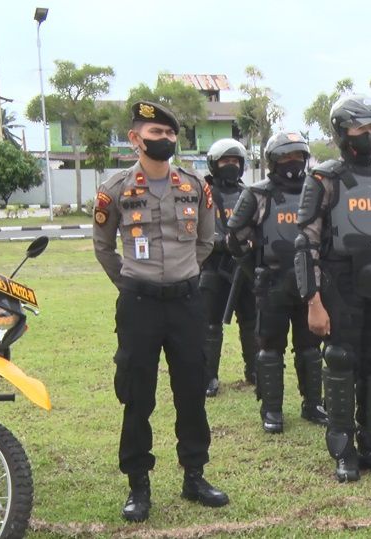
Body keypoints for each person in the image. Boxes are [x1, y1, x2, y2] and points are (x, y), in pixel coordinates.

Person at [93, 101, 229, 522]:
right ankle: (139, 484)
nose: (164, 140)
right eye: (155, 133)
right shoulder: (114, 189)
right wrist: (133, 281)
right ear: (135, 138)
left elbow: (206, 241)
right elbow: (103, 247)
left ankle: (195, 475)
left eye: (170, 134)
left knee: (192, 391)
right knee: (137, 396)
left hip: (187, 303)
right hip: (138, 305)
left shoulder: (194, 185)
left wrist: (184, 275)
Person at [295, 95, 371, 482]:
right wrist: (313, 300)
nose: (369, 135)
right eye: (360, 128)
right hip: (340, 285)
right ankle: (343, 444)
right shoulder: (324, 178)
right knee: (343, 359)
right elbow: (306, 242)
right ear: (342, 131)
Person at [225, 132, 328, 432]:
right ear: (272, 161)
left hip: (310, 284)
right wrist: (253, 268)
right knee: (270, 349)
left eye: (298, 156)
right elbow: (235, 238)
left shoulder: (318, 191)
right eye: (285, 157)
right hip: (271, 284)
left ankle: (313, 404)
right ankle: (272, 410)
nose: (292, 163)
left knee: (310, 347)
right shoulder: (257, 194)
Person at [200, 138, 258, 397]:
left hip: (244, 268)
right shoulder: (205, 194)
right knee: (210, 325)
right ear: (214, 164)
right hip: (214, 267)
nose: (231, 165)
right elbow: (199, 231)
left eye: (235, 161)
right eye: (225, 161)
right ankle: (208, 376)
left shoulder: (248, 193)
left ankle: (255, 369)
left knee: (251, 321)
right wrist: (224, 242)